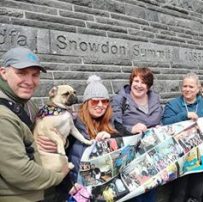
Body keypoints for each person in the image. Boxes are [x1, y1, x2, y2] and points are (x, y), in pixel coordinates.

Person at [0, 47, 70, 202]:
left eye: (35, 75)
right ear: (3, 73)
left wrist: (61, 142)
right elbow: (20, 173)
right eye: (22, 73)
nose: (30, 81)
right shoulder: (3, 116)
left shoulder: (26, 104)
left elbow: (46, 134)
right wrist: (60, 175)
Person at [37, 75, 117, 201]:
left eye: (105, 101)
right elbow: (58, 159)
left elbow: (127, 144)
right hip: (76, 191)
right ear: (86, 103)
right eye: (95, 101)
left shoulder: (113, 123)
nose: (100, 105)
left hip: (106, 193)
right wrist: (69, 186)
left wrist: (112, 137)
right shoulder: (69, 124)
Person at [112, 67, 163, 202]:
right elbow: (113, 126)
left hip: (152, 151)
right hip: (131, 154)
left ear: (149, 86)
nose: (139, 85)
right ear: (131, 81)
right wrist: (131, 128)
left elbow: (160, 118)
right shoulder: (120, 99)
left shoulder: (155, 98)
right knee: (134, 193)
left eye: (144, 82)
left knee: (151, 187)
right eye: (136, 81)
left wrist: (160, 127)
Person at [162, 72, 203, 202]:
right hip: (180, 155)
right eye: (185, 86)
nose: (187, 89)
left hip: (201, 155)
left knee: (197, 191)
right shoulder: (173, 104)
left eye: (191, 87)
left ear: (198, 88)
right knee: (179, 192)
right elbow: (165, 123)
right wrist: (184, 116)